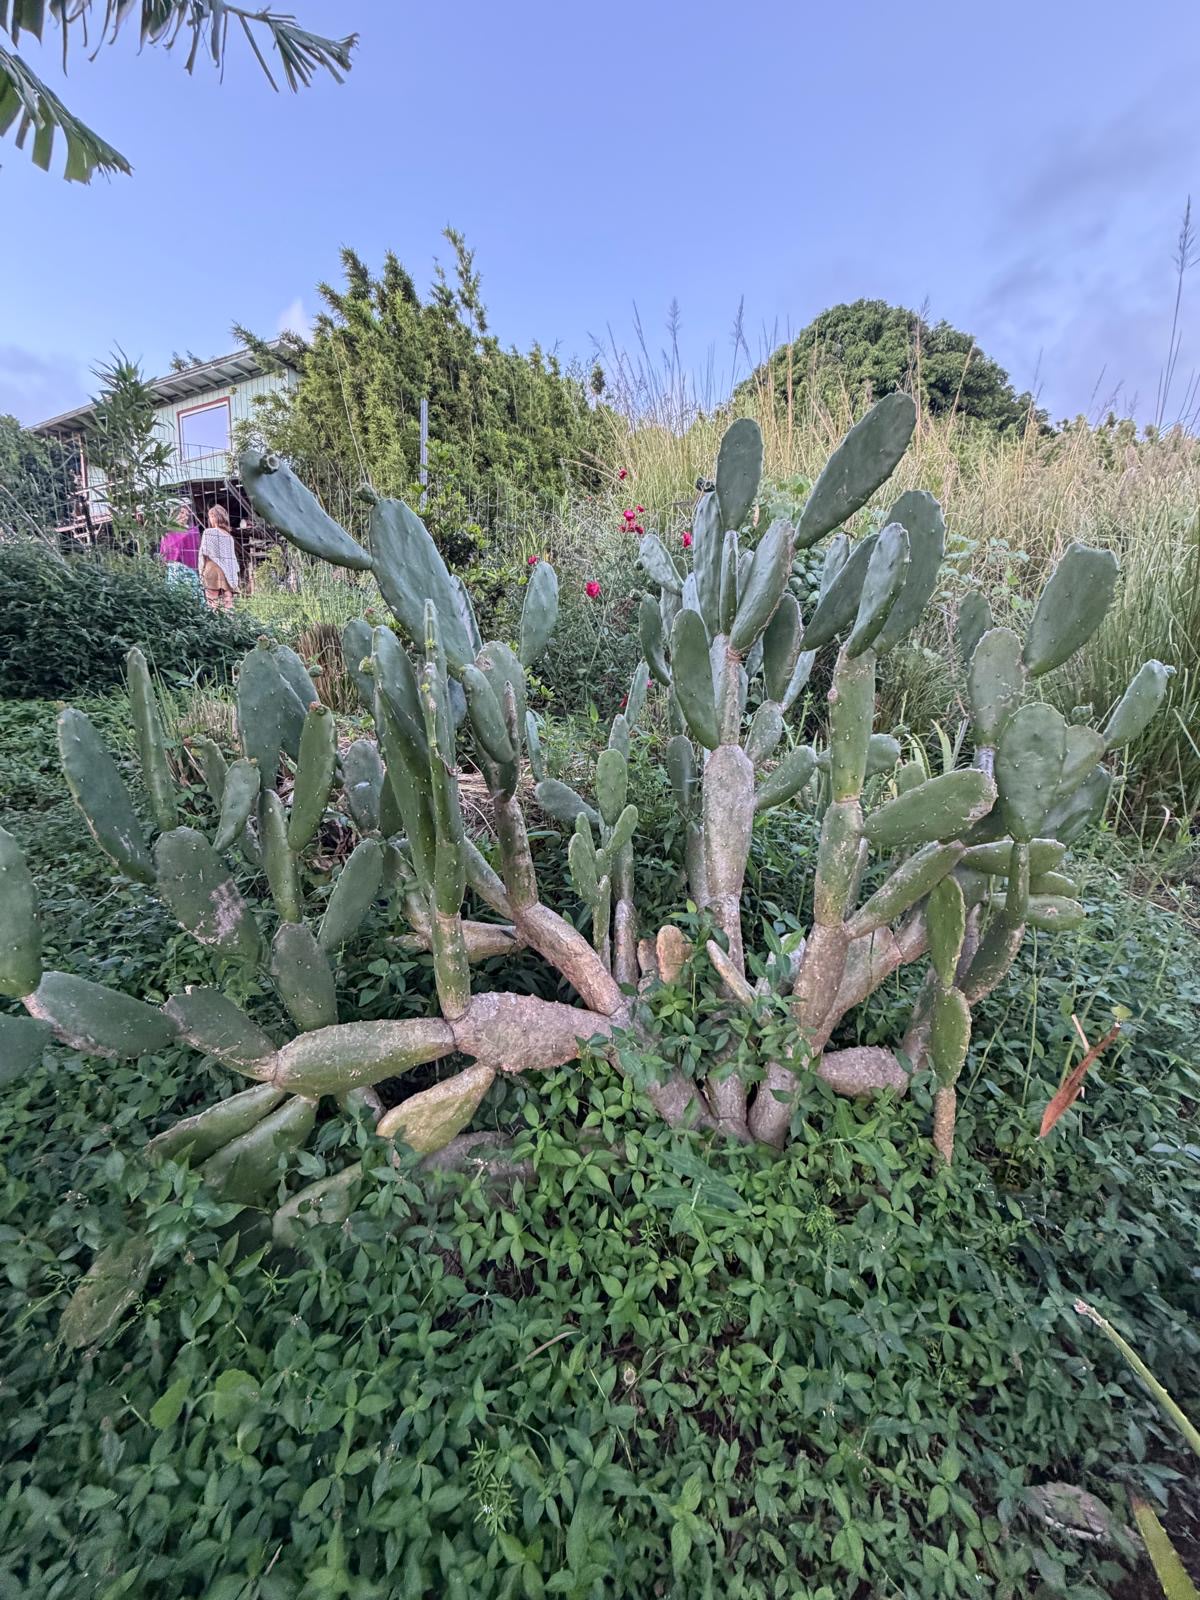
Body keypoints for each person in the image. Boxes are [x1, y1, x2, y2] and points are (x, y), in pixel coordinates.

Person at [199, 505, 240, 611]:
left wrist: (201, 571)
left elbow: (203, 554)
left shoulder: (208, 532)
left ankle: (213, 623)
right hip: (226, 572)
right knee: (228, 601)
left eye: (210, 516)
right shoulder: (229, 537)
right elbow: (232, 559)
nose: (210, 519)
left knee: (211, 600)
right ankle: (231, 624)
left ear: (214, 517)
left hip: (211, 569)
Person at [158, 501, 202, 592]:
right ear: (174, 513)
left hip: (190, 570)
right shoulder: (167, 532)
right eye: (182, 512)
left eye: (187, 514)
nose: (185, 516)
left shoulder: (192, 531)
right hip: (173, 569)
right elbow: (163, 553)